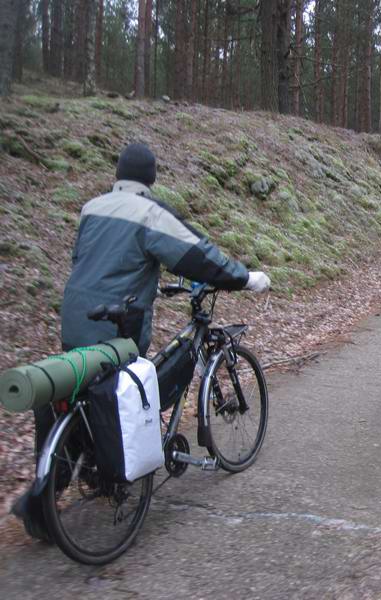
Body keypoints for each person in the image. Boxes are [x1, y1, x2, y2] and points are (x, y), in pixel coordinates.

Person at [13, 142, 270, 540]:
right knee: (128, 390)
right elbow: (195, 252)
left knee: (86, 392)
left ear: (118, 175)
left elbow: (97, 261)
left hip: (75, 319)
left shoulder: (91, 208)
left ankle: (56, 492)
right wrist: (242, 278)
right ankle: (122, 470)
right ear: (150, 178)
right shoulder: (150, 211)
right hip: (117, 327)